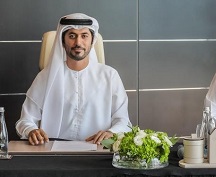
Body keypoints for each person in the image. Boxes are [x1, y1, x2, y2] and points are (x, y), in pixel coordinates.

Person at [16, 13, 130, 145]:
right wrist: (31, 131)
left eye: (84, 36)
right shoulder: (45, 77)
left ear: (92, 41)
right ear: (63, 41)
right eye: (72, 36)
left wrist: (112, 132)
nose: (78, 43)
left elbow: (123, 121)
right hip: (54, 152)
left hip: (98, 150)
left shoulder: (110, 76)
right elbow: (25, 121)